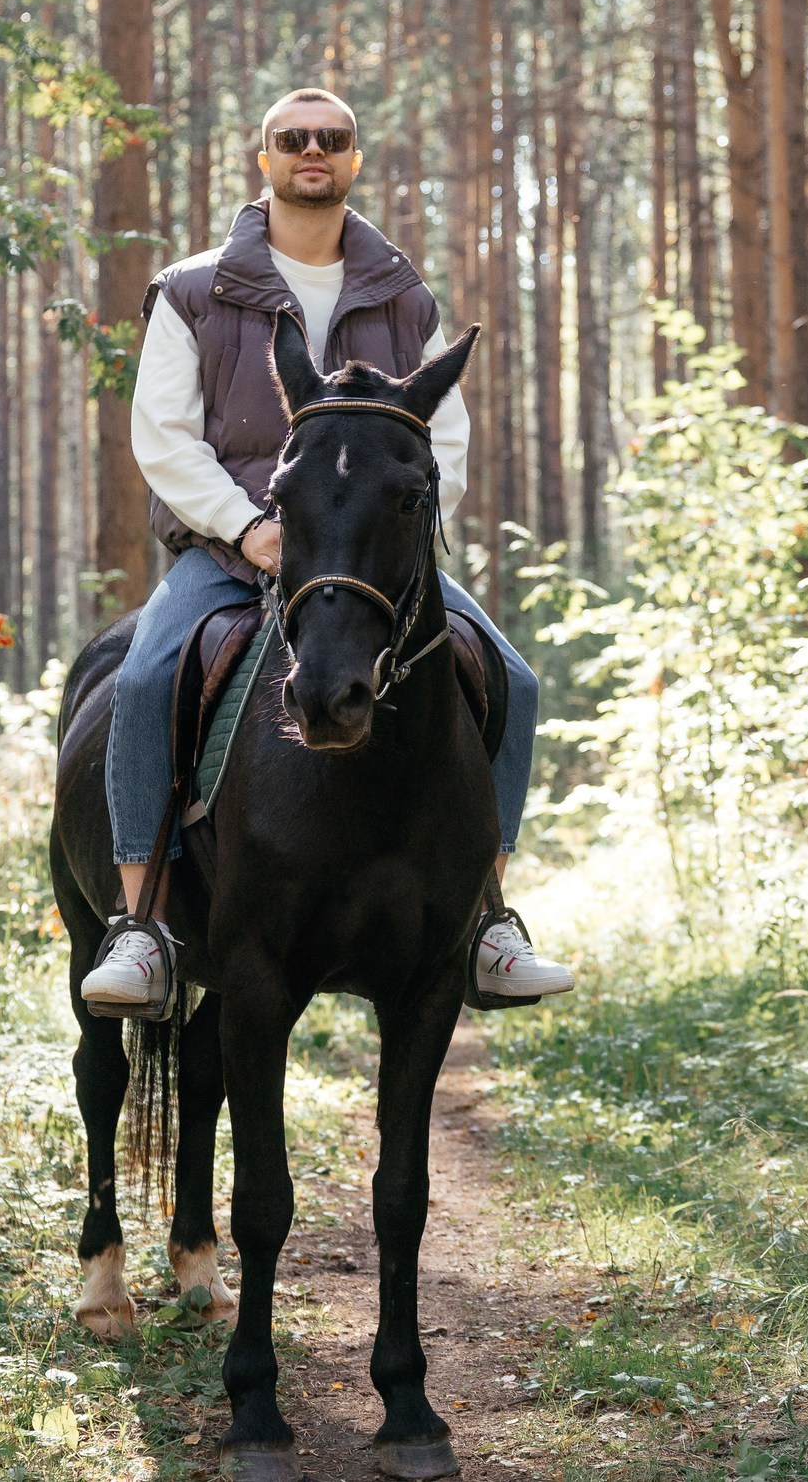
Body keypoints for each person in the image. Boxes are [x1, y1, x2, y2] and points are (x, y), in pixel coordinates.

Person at [82, 87, 575, 1007]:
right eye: (293, 139)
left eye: (333, 139)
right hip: (236, 548)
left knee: (515, 677)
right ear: (263, 159)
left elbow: (445, 438)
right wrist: (251, 528)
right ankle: (141, 924)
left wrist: (403, 540)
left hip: (372, 561)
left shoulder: (401, 292)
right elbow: (164, 437)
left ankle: (489, 917)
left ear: (354, 162)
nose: (314, 150)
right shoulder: (193, 290)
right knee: (148, 678)